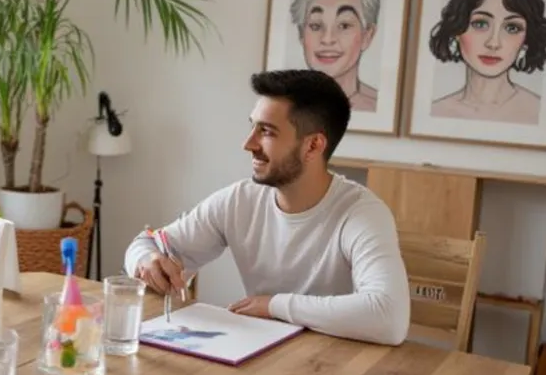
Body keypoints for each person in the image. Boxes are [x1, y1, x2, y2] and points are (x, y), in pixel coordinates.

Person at [123, 69, 410, 346]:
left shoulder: (362, 214)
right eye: (252, 127)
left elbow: (389, 318)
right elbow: (146, 243)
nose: (248, 144)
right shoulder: (239, 200)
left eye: (267, 132)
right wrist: (146, 261)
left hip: (336, 371)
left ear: (313, 146)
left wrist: (275, 305)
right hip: (261, 358)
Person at [428, 0, 546, 124]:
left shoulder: (537, 110)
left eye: (512, 28)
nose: (493, 43)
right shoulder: (436, 111)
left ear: (526, 40)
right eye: (480, 24)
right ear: (456, 30)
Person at [289, 0, 381, 112]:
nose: (327, 39)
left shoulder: (377, 105)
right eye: (316, 26)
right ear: (301, 33)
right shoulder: (281, 106)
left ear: (367, 35)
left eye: (344, 25)